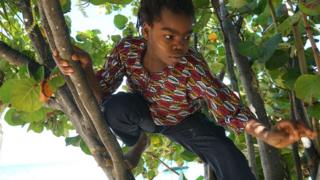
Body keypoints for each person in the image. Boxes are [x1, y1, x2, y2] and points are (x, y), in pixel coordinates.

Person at [53, 0, 317, 179]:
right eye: (169, 36)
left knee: (227, 155)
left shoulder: (191, 66)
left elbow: (225, 104)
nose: (179, 45)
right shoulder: (127, 51)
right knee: (116, 106)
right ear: (146, 31)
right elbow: (101, 96)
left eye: (186, 36)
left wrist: (268, 134)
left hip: (183, 120)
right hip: (141, 113)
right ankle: (139, 140)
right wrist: (86, 68)